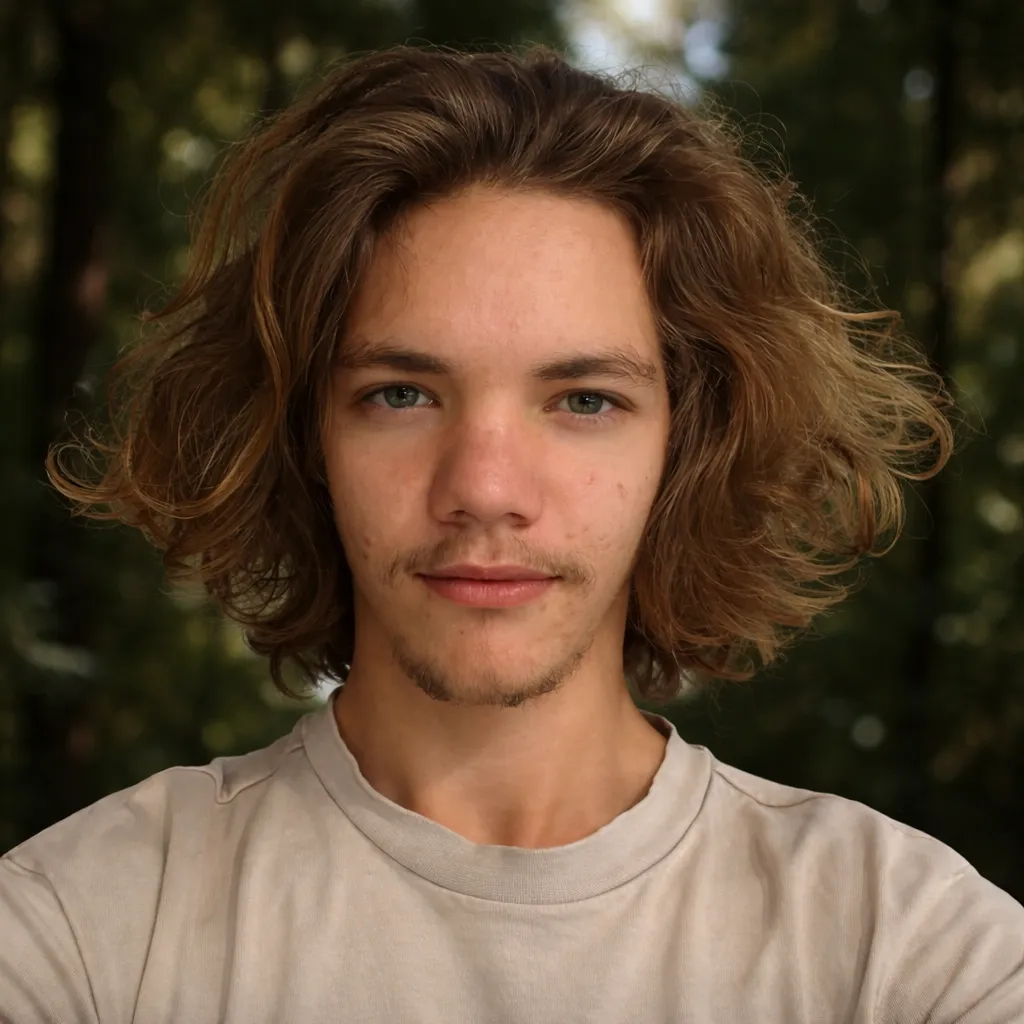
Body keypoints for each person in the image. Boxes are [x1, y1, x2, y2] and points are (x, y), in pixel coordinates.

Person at [2, 41, 1021, 1024]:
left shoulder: (903, 947)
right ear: (306, 437)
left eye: (584, 400)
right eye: (400, 393)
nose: (485, 489)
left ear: (687, 445)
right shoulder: (84, 926)